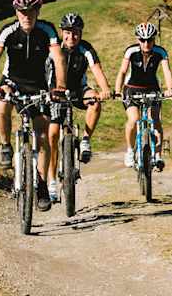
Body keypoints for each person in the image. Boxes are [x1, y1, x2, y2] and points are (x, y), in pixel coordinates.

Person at [0, 0, 67, 212]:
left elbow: (59, 59)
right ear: (16, 12)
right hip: (12, 81)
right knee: (2, 104)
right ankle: (5, 146)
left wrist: (59, 86)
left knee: (42, 135)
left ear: (38, 11)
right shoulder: (8, 31)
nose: (26, 16)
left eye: (31, 11)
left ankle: (40, 185)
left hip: (38, 85)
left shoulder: (47, 29)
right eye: (22, 12)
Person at [44, 12, 112, 203]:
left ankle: (85, 141)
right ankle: (51, 183)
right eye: (67, 32)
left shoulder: (85, 48)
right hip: (55, 92)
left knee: (95, 102)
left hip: (78, 91)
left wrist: (105, 89)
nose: (71, 37)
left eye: (75, 33)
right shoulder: (54, 48)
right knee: (53, 134)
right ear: (61, 32)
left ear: (81, 34)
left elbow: (96, 69)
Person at [113, 22, 172, 170]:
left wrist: (170, 88)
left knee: (155, 119)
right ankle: (129, 151)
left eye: (150, 40)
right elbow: (122, 71)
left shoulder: (161, 52)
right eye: (142, 40)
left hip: (152, 88)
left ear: (154, 39)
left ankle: (158, 155)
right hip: (132, 89)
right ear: (137, 39)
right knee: (134, 119)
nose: (146, 43)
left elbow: (167, 71)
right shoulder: (131, 51)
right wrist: (117, 90)